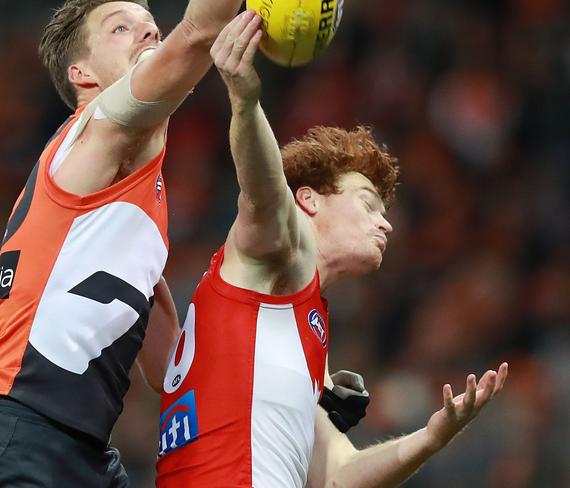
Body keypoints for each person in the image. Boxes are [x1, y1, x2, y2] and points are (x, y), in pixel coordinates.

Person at [156, 14, 508, 488]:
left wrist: (431, 436)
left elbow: (338, 475)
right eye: (367, 202)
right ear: (309, 201)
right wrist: (245, 99)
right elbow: (262, 189)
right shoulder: (271, 252)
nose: (384, 221)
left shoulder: (301, 322)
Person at [0, 1, 249, 486]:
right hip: (16, 427)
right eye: (121, 28)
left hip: (85, 451)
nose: (148, 34)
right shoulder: (100, 124)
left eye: (150, 25)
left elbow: (169, 369)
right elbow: (196, 32)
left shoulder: (127, 218)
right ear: (81, 74)